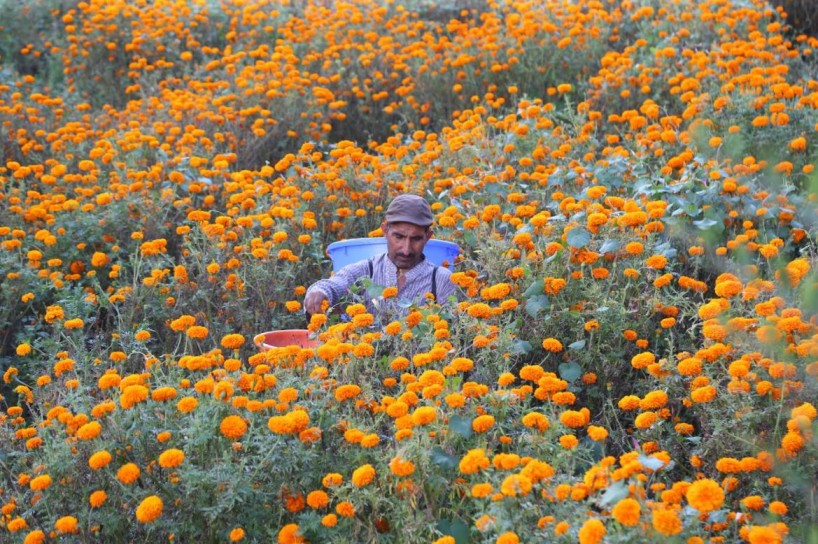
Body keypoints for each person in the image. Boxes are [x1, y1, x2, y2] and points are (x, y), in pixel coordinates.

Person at [304, 194, 457, 319]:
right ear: (385, 230)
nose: (406, 249)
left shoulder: (441, 281)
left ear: (428, 237)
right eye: (399, 237)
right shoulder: (366, 271)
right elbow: (336, 284)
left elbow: (455, 332)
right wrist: (320, 292)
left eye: (416, 239)